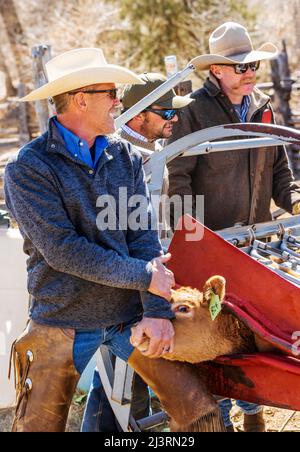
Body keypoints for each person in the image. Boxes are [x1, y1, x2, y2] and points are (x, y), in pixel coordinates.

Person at [5, 48, 219, 433]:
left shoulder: (126, 157)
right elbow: (62, 251)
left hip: (129, 315)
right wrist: (145, 277)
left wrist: (156, 310)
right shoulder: (28, 167)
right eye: (112, 92)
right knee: (35, 428)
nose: (120, 102)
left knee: (200, 413)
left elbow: (143, 237)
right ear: (81, 99)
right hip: (62, 318)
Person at [167, 22, 300, 432]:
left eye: (252, 65)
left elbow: (280, 173)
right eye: (239, 66)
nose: (249, 72)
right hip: (214, 249)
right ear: (216, 71)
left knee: (255, 336)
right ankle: (220, 419)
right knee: (217, 342)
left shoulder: (263, 107)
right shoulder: (191, 112)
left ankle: (255, 414)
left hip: (258, 243)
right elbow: (178, 179)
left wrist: (295, 200)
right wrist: (199, 241)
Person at [82, 73, 193, 432]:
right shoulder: (119, 156)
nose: (173, 120)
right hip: (120, 285)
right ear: (137, 116)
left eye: (174, 113)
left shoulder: (149, 151)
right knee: (117, 384)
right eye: (165, 113)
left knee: (125, 386)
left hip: (142, 279)